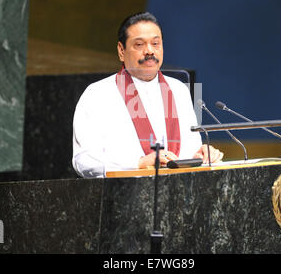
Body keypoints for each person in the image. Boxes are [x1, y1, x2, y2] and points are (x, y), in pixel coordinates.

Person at [72, 12, 223, 178]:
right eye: (139, 45)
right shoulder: (97, 94)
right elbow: (83, 161)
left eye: (156, 43)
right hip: (123, 194)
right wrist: (139, 163)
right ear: (121, 50)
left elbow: (190, 148)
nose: (149, 51)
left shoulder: (179, 90)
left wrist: (201, 154)